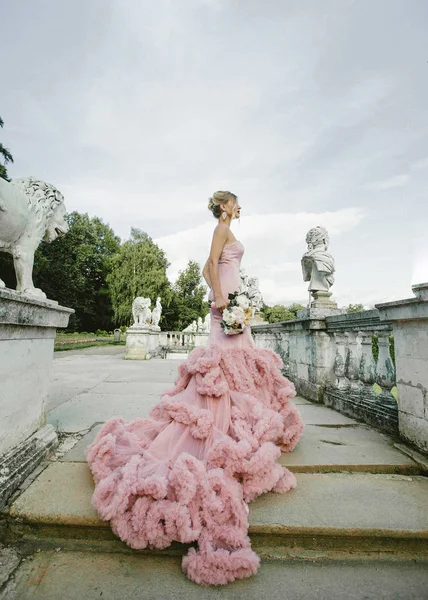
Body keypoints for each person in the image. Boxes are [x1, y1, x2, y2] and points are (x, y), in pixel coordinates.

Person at [86, 190, 304, 587]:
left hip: (234, 302)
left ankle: (237, 423)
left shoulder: (227, 230)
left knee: (237, 365)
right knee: (224, 366)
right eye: (236, 202)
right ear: (225, 206)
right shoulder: (222, 228)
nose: (240, 207)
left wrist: (230, 296)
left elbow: (212, 269)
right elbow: (207, 265)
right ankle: (219, 428)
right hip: (228, 305)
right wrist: (221, 299)